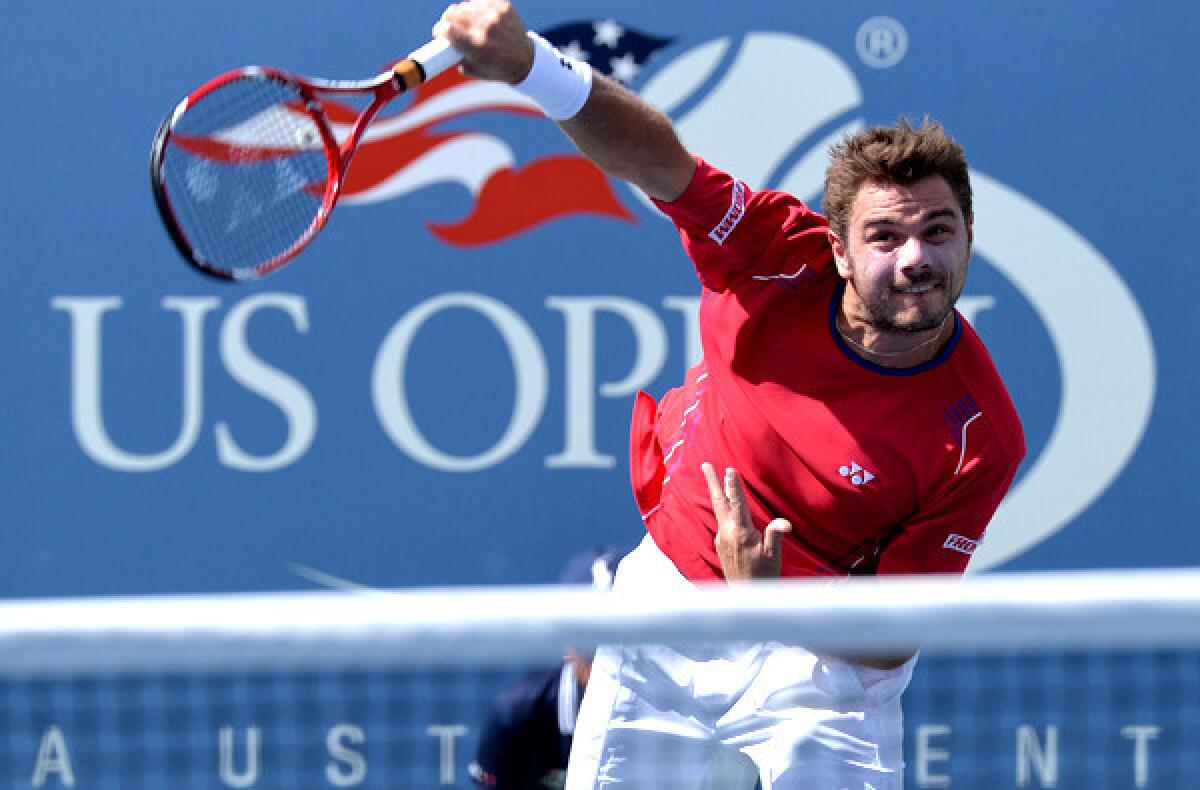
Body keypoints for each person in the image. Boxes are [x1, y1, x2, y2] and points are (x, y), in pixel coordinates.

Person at [434, 3, 1026, 787]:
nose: (917, 258)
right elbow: (656, 161)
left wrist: (773, 602)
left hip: (821, 663)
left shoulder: (980, 434)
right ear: (839, 252)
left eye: (939, 232)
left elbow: (893, 634)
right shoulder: (775, 252)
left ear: (968, 240)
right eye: (885, 237)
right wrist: (530, 65)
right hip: (669, 609)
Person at [469, 547, 626, 789]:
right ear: (567, 643)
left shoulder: (687, 704)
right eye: (589, 645)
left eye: (617, 642)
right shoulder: (517, 715)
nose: (602, 661)